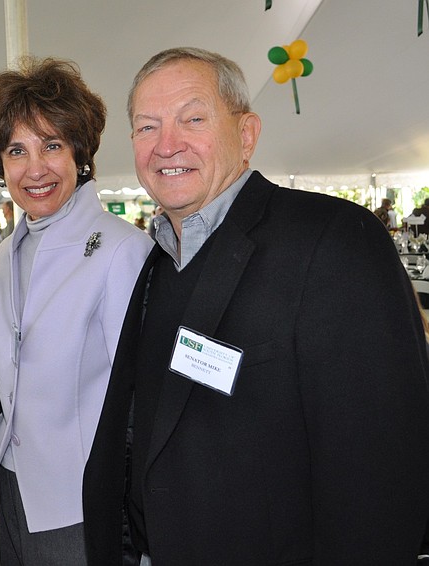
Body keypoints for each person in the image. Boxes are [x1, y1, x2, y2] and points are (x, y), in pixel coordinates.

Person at [82, 47, 429, 565]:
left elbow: (383, 472)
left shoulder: (334, 241)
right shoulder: (158, 262)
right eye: (147, 127)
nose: (166, 145)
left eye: (193, 119)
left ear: (246, 135)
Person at [0, 57, 152, 565]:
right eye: (16, 151)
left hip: (81, 495)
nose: (35, 169)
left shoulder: (122, 248)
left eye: (51, 145)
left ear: (79, 152)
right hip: (11, 481)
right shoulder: (7, 251)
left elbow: (139, 397)